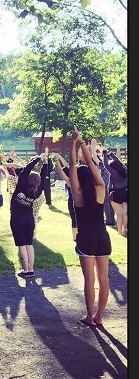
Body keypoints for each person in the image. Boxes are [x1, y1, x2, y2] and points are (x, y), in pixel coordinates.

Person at [69, 126, 111, 327]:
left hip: (86, 238)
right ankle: (99, 316)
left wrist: (73, 144)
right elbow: (92, 166)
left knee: (89, 280)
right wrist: (82, 144)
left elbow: (72, 166)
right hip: (103, 236)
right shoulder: (100, 188)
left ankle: (89, 316)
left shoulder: (77, 194)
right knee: (104, 279)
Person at [9, 152, 48, 278]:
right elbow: (44, 174)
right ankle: (31, 269)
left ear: (27, 179)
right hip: (30, 219)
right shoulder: (38, 190)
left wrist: (39, 158)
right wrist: (45, 161)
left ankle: (26, 270)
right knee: (29, 244)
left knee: (21, 245)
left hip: (17, 219)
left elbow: (26, 170)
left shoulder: (21, 186)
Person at [102, 146, 127, 237]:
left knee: (119, 214)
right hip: (126, 192)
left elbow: (105, 164)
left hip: (116, 193)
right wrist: (111, 154)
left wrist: (105, 153)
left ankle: (120, 231)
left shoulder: (114, 173)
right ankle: (124, 230)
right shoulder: (125, 170)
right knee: (125, 214)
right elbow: (118, 161)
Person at [53, 152, 78, 241]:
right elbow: (67, 166)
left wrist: (57, 160)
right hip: (80, 200)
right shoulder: (77, 179)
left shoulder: (69, 182)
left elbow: (61, 171)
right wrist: (60, 157)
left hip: (72, 201)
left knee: (74, 219)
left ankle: (75, 237)